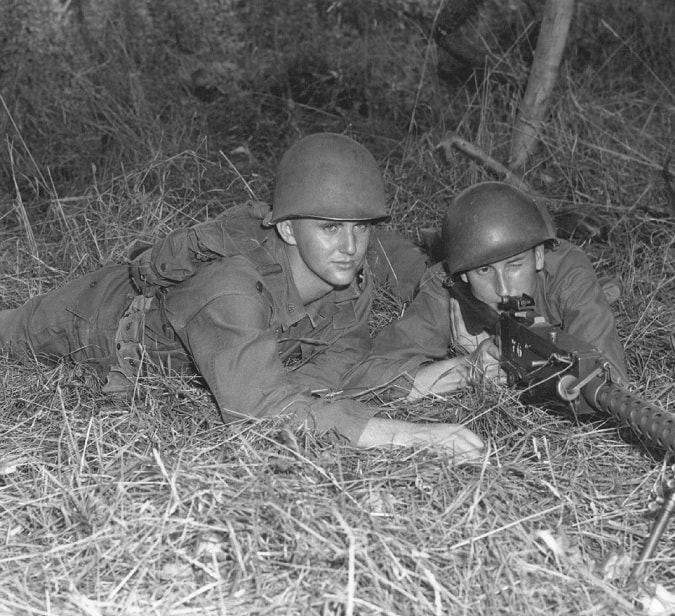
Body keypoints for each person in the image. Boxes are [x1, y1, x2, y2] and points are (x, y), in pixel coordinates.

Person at [0, 133, 483, 457]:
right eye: (330, 227)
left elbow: (337, 370)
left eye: (360, 228)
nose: (350, 247)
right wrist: (414, 436)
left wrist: (439, 377)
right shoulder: (230, 287)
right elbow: (259, 408)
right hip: (92, 319)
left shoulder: (345, 293)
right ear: (289, 229)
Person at [341, 181, 628, 400]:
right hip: (440, 273)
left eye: (515, 264)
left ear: (539, 256)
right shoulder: (446, 287)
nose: (503, 289)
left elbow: (607, 378)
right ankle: (393, 242)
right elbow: (365, 381)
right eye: (484, 270)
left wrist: (517, 372)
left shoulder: (567, 273)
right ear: (464, 275)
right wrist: (467, 367)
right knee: (402, 268)